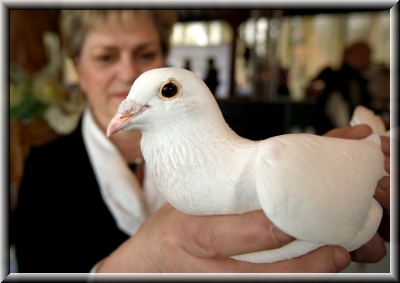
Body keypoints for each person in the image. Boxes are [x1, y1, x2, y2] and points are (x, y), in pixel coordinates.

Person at [14, 10, 390, 273]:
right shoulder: (44, 169)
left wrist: (321, 175)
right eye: (105, 56)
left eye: (145, 55)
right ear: (78, 70)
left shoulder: (253, 139)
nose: (127, 72)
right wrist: (146, 255)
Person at [307, 42, 374, 135]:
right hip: (334, 130)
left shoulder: (360, 80)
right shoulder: (331, 75)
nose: (368, 61)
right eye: (366, 56)